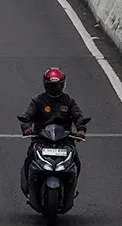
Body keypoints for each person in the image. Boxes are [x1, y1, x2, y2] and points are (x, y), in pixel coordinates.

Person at [18, 67, 87, 195]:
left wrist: (81, 130)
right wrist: (26, 128)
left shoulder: (69, 101)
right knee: (29, 158)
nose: (55, 88)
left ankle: (72, 188)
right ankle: (28, 186)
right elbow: (26, 117)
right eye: (52, 85)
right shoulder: (37, 101)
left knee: (76, 161)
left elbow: (79, 117)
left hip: (65, 139)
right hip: (42, 138)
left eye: (57, 85)